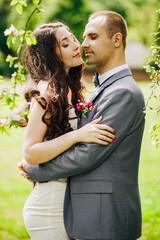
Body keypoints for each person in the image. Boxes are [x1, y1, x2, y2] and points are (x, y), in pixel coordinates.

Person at [19, 11, 146, 240]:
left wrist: (37, 171)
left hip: (88, 209)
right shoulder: (50, 91)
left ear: (117, 40)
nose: (82, 44)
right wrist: (75, 136)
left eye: (91, 37)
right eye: (69, 42)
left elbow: (87, 155)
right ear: (53, 54)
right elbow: (31, 151)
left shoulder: (120, 92)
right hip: (53, 206)